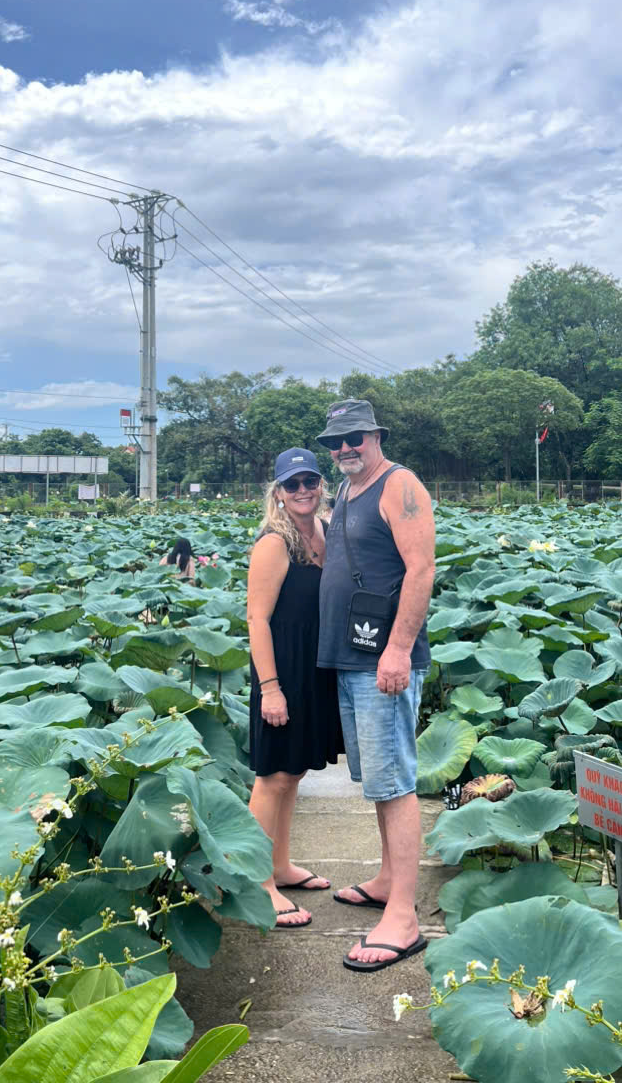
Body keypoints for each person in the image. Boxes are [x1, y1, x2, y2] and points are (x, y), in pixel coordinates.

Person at [316, 399, 436, 972]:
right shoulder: (345, 490)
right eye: (336, 442)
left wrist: (397, 648)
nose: (344, 449)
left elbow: (421, 569)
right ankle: (389, 879)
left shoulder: (399, 485)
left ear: (376, 436)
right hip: (352, 655)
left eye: (354, 438)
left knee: (395, 783)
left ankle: (405, 918)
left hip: (383, 659)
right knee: (376, 780)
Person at [246, 448, 345, 928]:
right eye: (292, 484)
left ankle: (280, 865)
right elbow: (257, 619)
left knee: (295, 774)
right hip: (281, 670)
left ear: (320, 484)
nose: (303, 491)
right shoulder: (274, 542)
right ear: (278, 493)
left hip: (314, 667)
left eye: (310, 481)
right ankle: (257, 883)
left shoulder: (324, 532)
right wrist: (270, 688)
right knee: (272, 776)